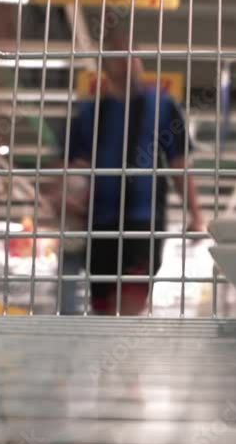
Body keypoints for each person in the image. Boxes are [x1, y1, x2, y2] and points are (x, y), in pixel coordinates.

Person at [52, 28, 203, 316]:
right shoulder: (90, 113)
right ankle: (108, 342)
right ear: (106, 65)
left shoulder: (163, 107)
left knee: (131, 300)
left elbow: (179, 165)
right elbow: (67, 164)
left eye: (132, 55)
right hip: (99, 224)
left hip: (143, 223)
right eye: (119, 55)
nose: (127, 62)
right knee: (103, 306)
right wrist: (63, 194)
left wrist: (196, 215)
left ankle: (121, 342)